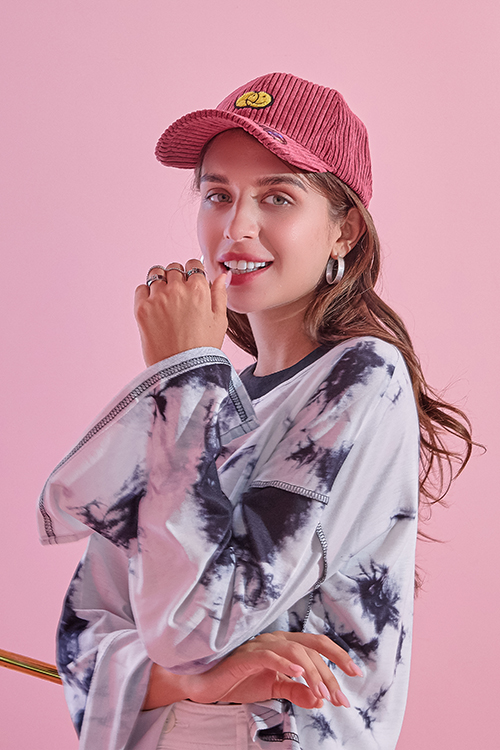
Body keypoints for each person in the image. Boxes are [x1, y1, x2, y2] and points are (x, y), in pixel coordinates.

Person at [38, 73, 472, 750]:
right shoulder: (207, 398)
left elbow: (191, 629)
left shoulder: (362, 376)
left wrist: (180, 373)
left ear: (344, 230)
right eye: (218, 195)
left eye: (277, 197)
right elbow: (84, 637)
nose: (236, 227)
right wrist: (196, 681)